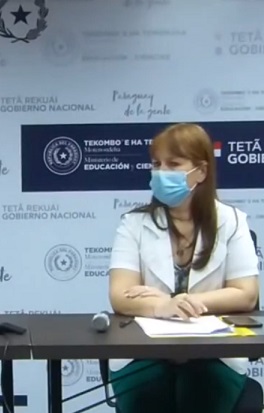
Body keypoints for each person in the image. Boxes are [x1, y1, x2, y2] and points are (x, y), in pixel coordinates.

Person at [108, 123, 259, 413]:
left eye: (173, 164)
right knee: (149, 396)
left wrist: (182, 302)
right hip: (143, 352)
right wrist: (162, 306)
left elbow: (246, 294)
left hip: (214, 354)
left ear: (200, 172)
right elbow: (119, 294)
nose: (161, 172)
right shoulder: (134, 223)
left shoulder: (233, 221)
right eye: (156, 164)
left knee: (199, 394)